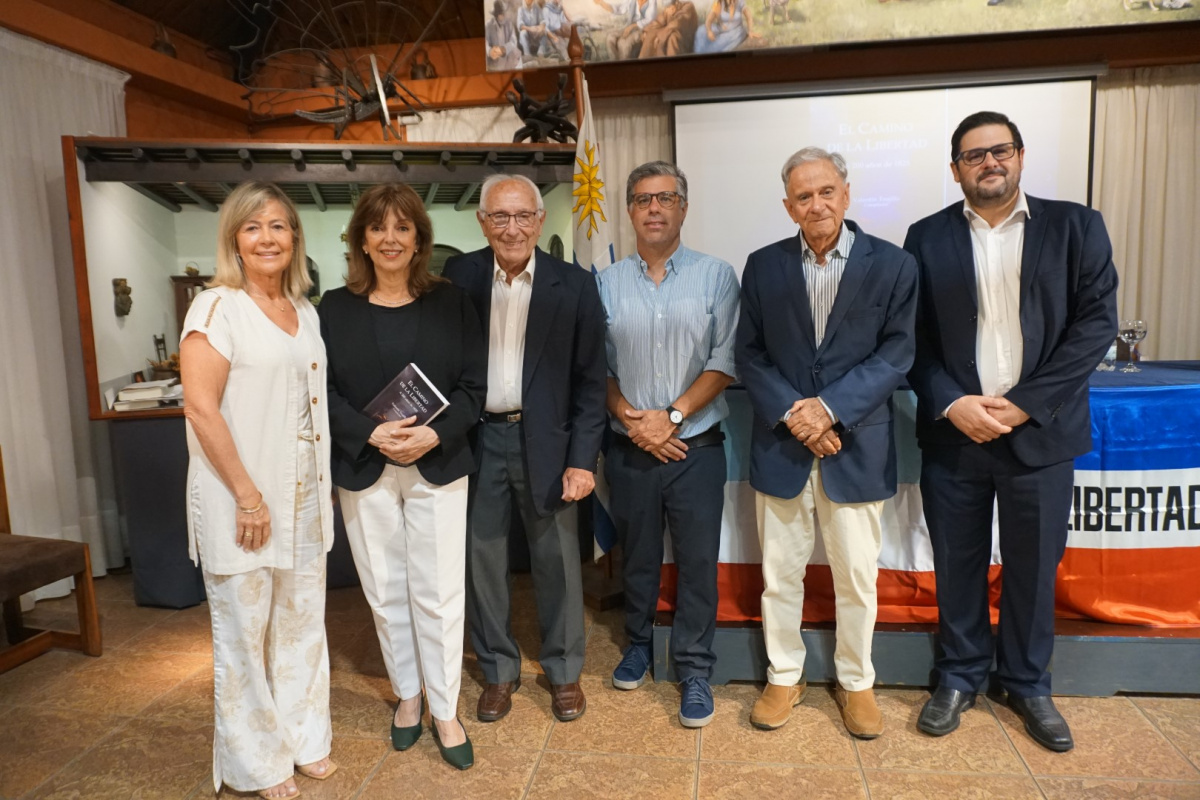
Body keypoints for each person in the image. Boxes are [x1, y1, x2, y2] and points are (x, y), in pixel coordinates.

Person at [904, 111, 1118, 752]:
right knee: (957, 562)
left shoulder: (1077, 226)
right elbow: (910, 338)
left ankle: (1026, 683)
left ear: (1020, 156)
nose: (989, 162)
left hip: (1042, 435)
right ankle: (959, 676)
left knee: (1033, 566)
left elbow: (1095, 326)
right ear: (956, 170)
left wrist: (1025, 404)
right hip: (956, 435)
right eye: (974, 155)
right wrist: (951, 402)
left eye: (1000, 150)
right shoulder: (925, 237)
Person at [735, 148, 917, 739]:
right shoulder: (763, 266)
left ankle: (856, 681)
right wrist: (799, 415)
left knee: (856, 577)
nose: (816, 204)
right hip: (783, 446)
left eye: (826, 191)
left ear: (846, 193)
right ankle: (784, 675)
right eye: (803, 196)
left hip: (856, 446)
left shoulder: (893, 264)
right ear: (789, 206)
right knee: (780, 576)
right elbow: (750, 354)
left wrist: (830, 410)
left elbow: (897, 353)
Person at [319, 183, 487, 770]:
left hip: (437, 462)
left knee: (439, 593)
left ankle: (446, 708)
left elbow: (474, 387)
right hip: (364, 465)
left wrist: (434, 435)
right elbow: (322, 391)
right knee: (386, 591)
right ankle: (408, 698)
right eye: (377, 228)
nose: (390, 238)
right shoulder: (332, 309)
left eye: (402, 227)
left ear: (419, 239)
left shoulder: (452, 302)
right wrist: (370, 433)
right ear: (361, 240)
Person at [180, 182, 337, 799]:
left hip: (304, 493)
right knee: (245, 633)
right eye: (253, 227)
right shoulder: (216, 308)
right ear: (234, 240)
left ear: (294, 236)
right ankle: (258, 763)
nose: (267, 238)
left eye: (278, 225)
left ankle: (304, 740)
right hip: (242, 494)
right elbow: (200, 408)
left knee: (302, 624)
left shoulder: (305, 310)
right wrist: (247, 495)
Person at [444, 174, 607, 727]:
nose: (511, 228)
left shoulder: (574, 285)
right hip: (476, 439)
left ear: (539, 221)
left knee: (557, 560)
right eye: (499, 216)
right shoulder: (458, 275)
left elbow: (591, 382)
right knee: (482, 559)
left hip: (550, 443)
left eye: (522, 216)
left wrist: (582, 459)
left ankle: (563, 671)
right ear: (482, 222)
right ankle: (498, 669)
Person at [598, 161, 739, 728]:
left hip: (695, 448)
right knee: (636, 556)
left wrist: (673, 418)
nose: (653, 208)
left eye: (664, 198)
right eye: (642, 199)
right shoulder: (604, 283)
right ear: (629, 210)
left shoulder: (717, 276)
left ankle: (695, 668)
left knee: (697, 561)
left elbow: (725, 360)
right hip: (630, 445)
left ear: (683, 206)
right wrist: (632, 419)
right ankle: (638, 645)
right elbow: (598, 369)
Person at [593, 0, 659, 60]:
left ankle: (623, 66)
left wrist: (632, 26)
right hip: (629, 27)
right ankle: (614, 63)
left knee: (622, 43)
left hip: (642, 30)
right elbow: (619, 9)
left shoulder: (652, 2)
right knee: (610, 37)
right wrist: (602, 3)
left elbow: (650, 19)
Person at [694, 0, 761, 54]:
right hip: (720, 29)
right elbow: (708, 20)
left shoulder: (740, 2)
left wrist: (750, 31)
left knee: (718, 44)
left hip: (735, 32)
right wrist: (709, 31)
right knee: (701, 32)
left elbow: (749, 16)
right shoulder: (719, 3)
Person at [486, 0, 521, 70]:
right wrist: (490, 51)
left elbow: (514, 41)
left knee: (516, 53)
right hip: (495, 62)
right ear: (496, 14)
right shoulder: (488, 25)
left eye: (504, 13)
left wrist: (503, 49)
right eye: (501, 14)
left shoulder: (509, 23)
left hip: (508, 59)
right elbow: (484, 42)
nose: (504, 16)